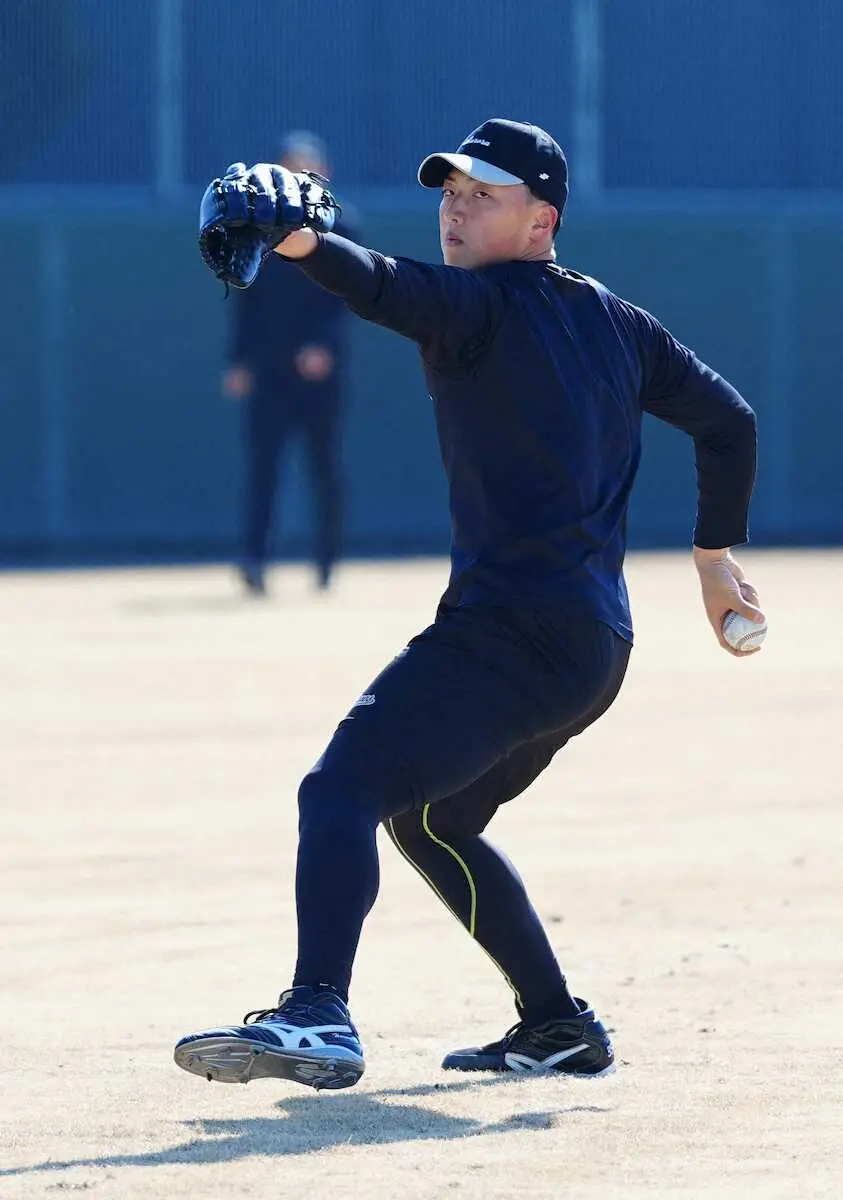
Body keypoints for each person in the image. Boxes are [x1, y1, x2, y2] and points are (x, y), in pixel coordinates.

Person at [175, 119, 763, 1091]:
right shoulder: (620, 323)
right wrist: (713, 556)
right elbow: (728, 421)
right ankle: (557, 1024)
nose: (455, 208)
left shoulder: (478, 308)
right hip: (590, 649)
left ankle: (317, 1012)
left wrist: (301, 240)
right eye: (450, 191)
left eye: (482, 195)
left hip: (509, 635)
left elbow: (379, 284)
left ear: (542, 221)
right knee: (433, 821)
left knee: (340, 790)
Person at [222, 130, 357, 595]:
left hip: (320, 376)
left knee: (325, 468)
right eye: (291, 167)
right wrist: (239, 359)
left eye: (308, 167)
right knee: (263, 469)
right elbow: (244, 298)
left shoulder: (342, 226)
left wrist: (323, 345)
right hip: (269, 369)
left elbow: (350, 295)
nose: (300, 175)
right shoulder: (255, 227)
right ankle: (254, 561)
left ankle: (327, 564)